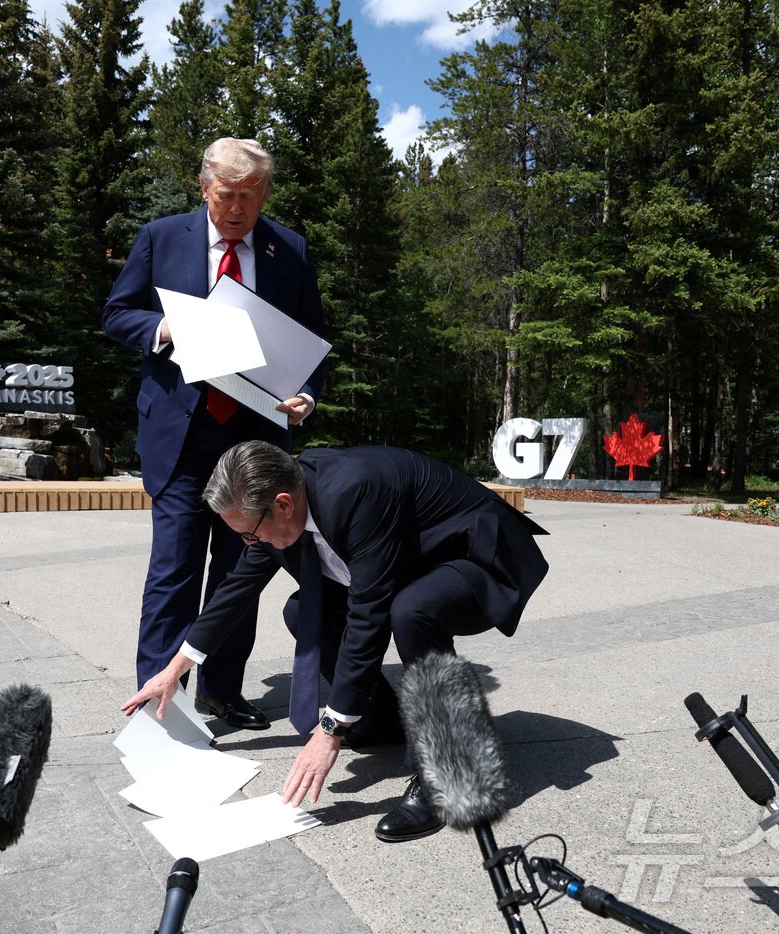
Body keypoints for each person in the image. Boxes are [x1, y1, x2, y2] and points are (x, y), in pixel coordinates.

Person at [121, 441, 549, 842]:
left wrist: (328, 730)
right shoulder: (273, 503)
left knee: (411, 611)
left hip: (475, 556)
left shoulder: (356, 493)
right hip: (408, 565)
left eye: (250, 534)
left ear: (283, 504)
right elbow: (235, 590)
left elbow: (369, 614)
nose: (248, 543)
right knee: (301, 610)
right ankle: (379, 720)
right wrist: (176, 668)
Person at [104, 138, 327, 731]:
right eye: (227, 196)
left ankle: (221, 692)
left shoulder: (290, 250)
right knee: (173, 572)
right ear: (204, 189)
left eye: (250, 198)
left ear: (264, 195)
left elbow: (312, 341)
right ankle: (160, 705)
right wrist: (165, 327)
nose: (237, 210)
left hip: (253, 443)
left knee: (239, 571)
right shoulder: (160, 237)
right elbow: (117, 313)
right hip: (181, 436)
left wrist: (308, 394)